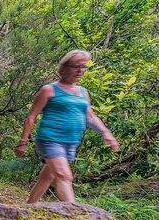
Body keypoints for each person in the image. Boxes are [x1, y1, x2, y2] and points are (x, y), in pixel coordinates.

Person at [15, 50, 119, 203]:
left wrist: (105, 133)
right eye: (76, 66)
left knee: (47, 176)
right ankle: (74, 214)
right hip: (50, 139)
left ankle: (29, 207)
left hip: (70, 142)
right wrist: (23, 142)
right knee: (64, 176)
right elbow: (31, 116)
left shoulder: (83, 92)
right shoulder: (49, 90)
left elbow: (89, 116)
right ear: (64, 68)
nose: (80, 71)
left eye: (83, 67)